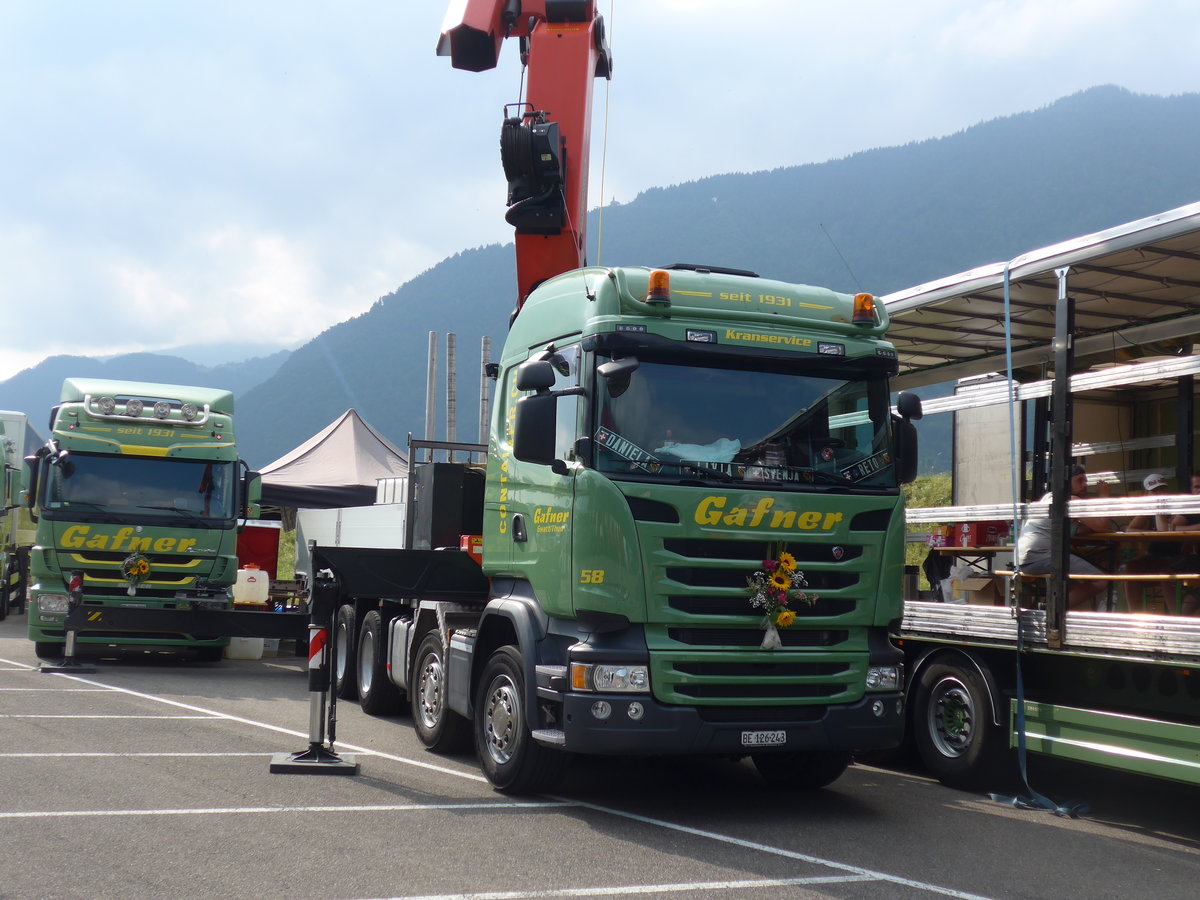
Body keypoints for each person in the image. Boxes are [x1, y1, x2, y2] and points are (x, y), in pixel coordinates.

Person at [1016, 464, 1114, 610]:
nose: (1085, 485)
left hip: (1025, 559)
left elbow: (1078, 530)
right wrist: (1104, 495)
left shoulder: (1049, 498)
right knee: (1101, 581)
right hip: (1041, 557)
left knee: (1075, 583)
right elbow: (1101, 526)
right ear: (1066, 482)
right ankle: (1050, 612)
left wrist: (1089, 522)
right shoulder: (1071, 500)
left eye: (1086, 481)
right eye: (1080, 480)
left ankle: (1057, 615)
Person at [1120, 473, 1177, 612]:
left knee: (1165, 573)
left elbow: (1164, 531)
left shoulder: (1177, 507)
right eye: (1155, 491)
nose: (1159, 494)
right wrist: (1148, 535)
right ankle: (1135, 618)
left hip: (1175, 556)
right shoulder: (1148, 509)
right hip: (1154, 557)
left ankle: (1177, 620)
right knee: (1130, 568)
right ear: (1146, 494)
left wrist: (1157, 509)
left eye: (1162, 489)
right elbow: (1129, 530)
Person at [1168, 473, 1200, 615]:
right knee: (1165, 572)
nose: (1199, 491)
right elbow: (1171, 528)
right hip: (1196, 563)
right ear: (1192, 490)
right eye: (1197, 487)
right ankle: (1176, 619)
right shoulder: (1191, 509)